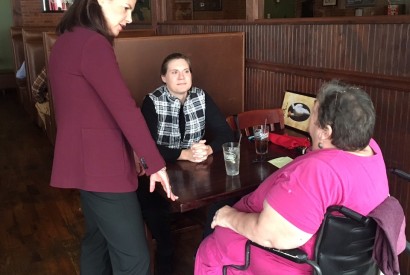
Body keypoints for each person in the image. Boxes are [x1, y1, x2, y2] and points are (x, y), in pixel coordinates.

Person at [194, 80, 390, 274]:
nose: (309, 123)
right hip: (345, 258)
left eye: (312, 115)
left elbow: (270, 236)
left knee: (209, 249)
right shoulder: (370, 147)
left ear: (325, 132)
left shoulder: (319, 171)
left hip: (286, 260)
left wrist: (228, 217)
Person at [47, 1, 178, 274]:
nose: (129, 18)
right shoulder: (93, 43)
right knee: (135, 259)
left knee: (96, 243)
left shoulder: (66, 39)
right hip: (103, 168)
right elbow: (123, 108)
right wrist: (155, 162)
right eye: (126, 8)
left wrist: (135, 151)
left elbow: (91, 110)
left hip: (84, 164)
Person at [138, 52, 235, 274]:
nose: (182, 77)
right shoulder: (152, 101)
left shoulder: (201, 96)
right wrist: (184, 154)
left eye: (186, 71)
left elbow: (225, 133)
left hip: (196, 176)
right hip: (158, 176)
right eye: (174, 72)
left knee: (224, 201)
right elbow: (147, 148)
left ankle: (206, 256)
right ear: (163, 77)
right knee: (163, 231)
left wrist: (208, 148)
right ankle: (165, 256)